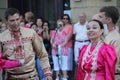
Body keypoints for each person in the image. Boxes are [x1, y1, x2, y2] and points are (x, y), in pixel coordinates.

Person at [0, 8, 52, 80]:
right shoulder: (2, 37)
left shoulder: (31, 33)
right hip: (11, 77)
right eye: (12, 20)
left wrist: (47, 74)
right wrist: (4, 55)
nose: (16, 23)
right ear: (6, 21)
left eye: (17, 19)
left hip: (31, 76)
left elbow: (42, 54)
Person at [98, 6, 120, 80]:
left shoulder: (115, 38)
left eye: (100, 17)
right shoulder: (107, 35)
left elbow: (115, 62)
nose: (98, 19)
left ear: (109, 20)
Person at [61, 14, 73, 80]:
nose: (65, 20)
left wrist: (61, 44)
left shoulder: (70, 26)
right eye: (63, 18)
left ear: (68, 19)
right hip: (61, 47)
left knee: (67, 63)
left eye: (66, 18)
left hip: (67, 47)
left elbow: (68, 37)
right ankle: (64, 76)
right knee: (62, 62)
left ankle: (67, 77)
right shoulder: (61, 26)